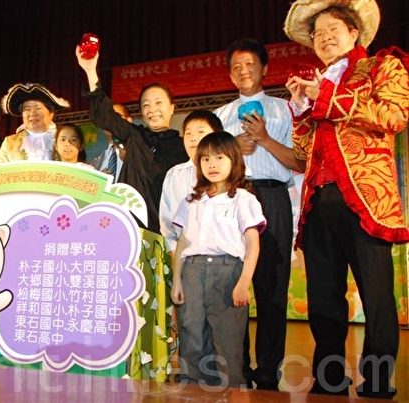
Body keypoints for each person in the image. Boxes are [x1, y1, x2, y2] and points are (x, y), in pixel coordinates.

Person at [284, 0, 409, 398]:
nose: (324, 38)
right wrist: (301, 109)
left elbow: (394, 116)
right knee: (323, 299)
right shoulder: (315, 82)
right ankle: (330, 378)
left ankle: (378, 381)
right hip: (319, 202)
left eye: (332, 30)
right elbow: (303, 154)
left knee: (377, 297)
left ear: (354, 33)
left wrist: (327, 96)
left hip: (365, 199)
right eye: (317, 34)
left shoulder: (382, 66)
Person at [213, 37, 305, 390]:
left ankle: (268, 372)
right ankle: (237, 369)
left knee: (272, 287)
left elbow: (300, 161)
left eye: (250, 64)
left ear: (265, 68)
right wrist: (232, 148)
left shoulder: (285, 110)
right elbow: (209, 166)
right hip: (232, 198)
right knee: (232, 285)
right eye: (236, 67)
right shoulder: (221, 116)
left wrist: (265, 139)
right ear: (229, 74)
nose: (243, 71)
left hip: (272, 197)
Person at [171, 131, 265, 387]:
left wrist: (244, 281)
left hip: (228, 272)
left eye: (219, 158)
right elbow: (182, 243)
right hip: (192, 271)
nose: (212, 165)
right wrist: (177, 280)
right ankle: (192, 390)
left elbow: (253, 243)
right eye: (206, 159)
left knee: (227, 340)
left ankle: (231, 390)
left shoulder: (243, 199)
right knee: (191, 335)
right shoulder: (191, 200)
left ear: (234, 160)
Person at [76, 47, 188, 233]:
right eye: (146, 105)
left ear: (172, 107)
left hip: (167, 231)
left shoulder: (183, 146)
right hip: (129, 228)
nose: (152, 109)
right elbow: (102, 114)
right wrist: (90, 70)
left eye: (158, 103)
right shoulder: (135, 136)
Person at [160, 109, 223, 256]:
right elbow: (167, 223)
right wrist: (175, 256)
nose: (193, 138)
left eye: (200, 132)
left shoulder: (229, 173)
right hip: (186, 258)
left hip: (224, 259)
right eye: (188, 133)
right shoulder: (174, 175)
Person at [0, 83, 70, 163]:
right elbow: (0, 170)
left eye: (38, 108)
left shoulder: (64, 140)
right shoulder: (9, 143)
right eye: (27, 109)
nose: (32, 113)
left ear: (51, 114)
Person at [90, 103, 132, 182]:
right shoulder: (95, 162)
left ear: (129, 120)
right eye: (106, 119)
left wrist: (131, 160)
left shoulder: (141, 152)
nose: (111, 122)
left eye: (117, 117)